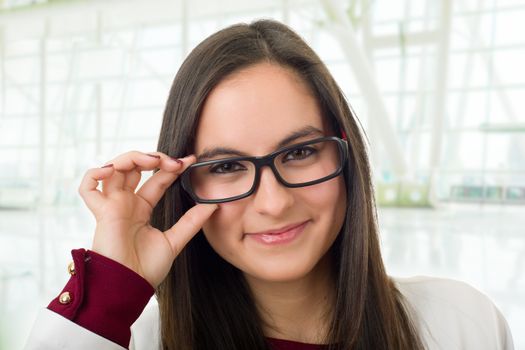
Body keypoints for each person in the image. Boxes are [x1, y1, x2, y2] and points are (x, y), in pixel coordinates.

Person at [25, 19, 513, 350]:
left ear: (346, 156)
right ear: (183, 185)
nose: (274, 202)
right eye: (225, 167)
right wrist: (110, 286)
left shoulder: (461, 323)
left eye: (300, 153)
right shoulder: (129, 338)